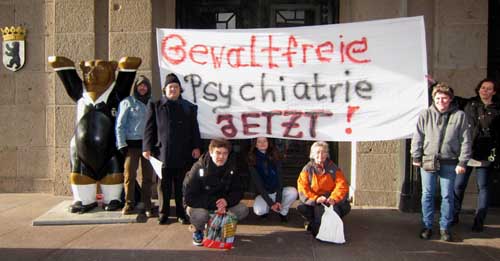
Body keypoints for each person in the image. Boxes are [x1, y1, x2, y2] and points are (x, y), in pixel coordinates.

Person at [411, 83, 471, 242]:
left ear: (450, 99)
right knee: (427, 195)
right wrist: (416, 156)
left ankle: (445, 227)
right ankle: (427, 226)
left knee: (447, 196)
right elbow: (418, 136)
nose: (441, 101)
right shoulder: (425, 114)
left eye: (444, 98)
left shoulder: (459, 115)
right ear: (433, 98)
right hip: (428, 160)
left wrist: (462, 162)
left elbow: (466, 140)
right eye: (438, 98)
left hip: (450, 161)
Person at [143, 73, 201, 225]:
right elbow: (149, 128)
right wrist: (146, 147)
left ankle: (182, 213)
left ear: (180, 90)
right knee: (163, 186)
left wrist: (196, 146)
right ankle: (164, 213)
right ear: (165, 90)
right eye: (170, 87)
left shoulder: (189, 107)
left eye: (176, 87)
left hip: (183, 153)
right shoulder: (155, 106)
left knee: (182, 185)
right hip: (162, 154)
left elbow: (194, 129)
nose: (173, 90)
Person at [453, 78, 500, 232]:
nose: (484, 90)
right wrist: (432, 83)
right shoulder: (469, 104)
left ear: (494, 92)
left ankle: (479, 221)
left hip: (486, 153)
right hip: (467, 152)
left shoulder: (497, 109)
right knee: (458, 185)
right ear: (478, 89)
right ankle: (453, 216)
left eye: (488, 88)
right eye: (482, 87)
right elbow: (449, 96)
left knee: (483, 187)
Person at [183, 138, 249, 246]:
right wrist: (215, 204)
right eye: (218, 153)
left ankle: (220, 227)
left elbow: (238, 191)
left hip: (222, 205)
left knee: (243, 210)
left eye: (225, 153)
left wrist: (226, 201)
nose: (221, 157)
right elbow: (189, 198)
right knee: (200, 215)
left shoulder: (232, 167)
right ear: (211, 152)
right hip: (201, 205)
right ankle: (197, 230)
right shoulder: (198, 168)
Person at [115, 75, 154, 216]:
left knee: (148, 177)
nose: (142, 88)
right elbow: (120, 125)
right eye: (140, 85)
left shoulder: (152, 102)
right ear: (136, 87)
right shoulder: (128, 102)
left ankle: (147, 204)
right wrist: (121, 144)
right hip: (131, 145)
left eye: (145, 85)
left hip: (148, 146)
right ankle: (129, 203)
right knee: (129, 175)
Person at [297, 141, 350, 237]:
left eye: (323, 152)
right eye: (317, 152)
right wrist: (316, 199)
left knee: (346, 207)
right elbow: (303, 188)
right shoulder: (307, 169)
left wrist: (334, 198)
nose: (320, 155)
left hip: (330, 198)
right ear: (312, 154)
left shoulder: (333, 168)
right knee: (302, 208)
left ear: (327, 154)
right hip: (315, 200)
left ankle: (332, 223)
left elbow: (342, 185)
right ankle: (312, 222)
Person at [247, 137, 297, 222]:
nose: (262, 143)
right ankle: (267, 210)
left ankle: (283, 212)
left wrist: (278, 200)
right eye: (259, 142)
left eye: (264, 141)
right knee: (259, 210)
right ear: (255, 144)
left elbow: (279, 180)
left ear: (268, 142)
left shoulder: (275, 156)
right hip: (263, 193)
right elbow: (259, 185)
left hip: (276, 190)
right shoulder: (252, 159)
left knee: (293, 192)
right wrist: (271, 203)